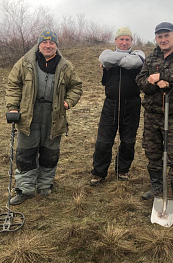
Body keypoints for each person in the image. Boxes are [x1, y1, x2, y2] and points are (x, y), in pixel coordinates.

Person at [6, 30, 83, 205]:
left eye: (52, 43)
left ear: (56, 46)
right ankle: (25, 189)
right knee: (26, 152)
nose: (48, 46)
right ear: (39, 45)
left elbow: (76, 87)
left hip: (54, 114)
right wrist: (12, 108)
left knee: (50, 152)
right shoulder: (25, 63)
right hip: (28, 114)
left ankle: (45, 185)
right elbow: (13, 85)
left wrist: (68, 102)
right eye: (45, 42)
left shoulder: (65, 66)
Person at [136, 22, 173, 217]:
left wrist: (161, 75)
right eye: (159, 36)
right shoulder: (151, 57)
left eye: (166, 35)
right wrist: (153, 82)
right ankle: (157, 188)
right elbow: (141, 81)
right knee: (152, 152)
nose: (163, 39)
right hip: (152, 115)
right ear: (156, 38)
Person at [90, 27, 145, 186]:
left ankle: (122, 170)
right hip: (111, 104)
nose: (124, 42)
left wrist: (114, 61)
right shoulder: (107, 53)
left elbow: (132, 62)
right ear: (115, 41)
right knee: (104, 140)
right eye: (121, 39)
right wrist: (116, 60)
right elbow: (104, 59)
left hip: (132, 104)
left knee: (128, 141)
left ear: (131, 42)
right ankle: (99, 173)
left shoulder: (139, 54)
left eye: (127, 39)